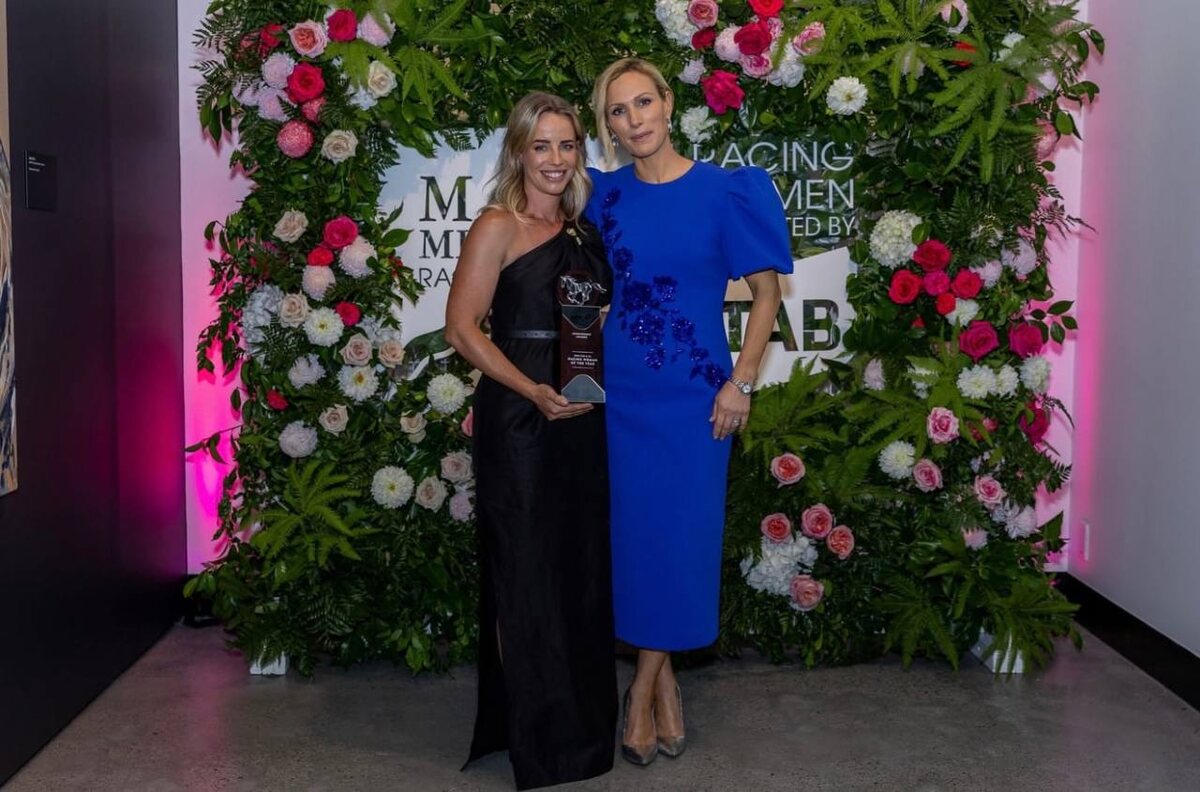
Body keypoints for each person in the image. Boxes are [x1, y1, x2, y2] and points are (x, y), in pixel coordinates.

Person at [584, 58, 792, 766]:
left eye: (644, 102)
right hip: (620, 397)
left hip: (699, 401)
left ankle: (641, 689)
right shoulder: (602, 197)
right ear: (608, 126)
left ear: (669, 104)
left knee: (682, 542)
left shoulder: (726, 191)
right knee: (635, 542)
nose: (634, 119)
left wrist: (742, 382)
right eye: (618, 111)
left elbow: (767, 294)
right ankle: (664, 683)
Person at [446, 92, 616, 790]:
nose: (555, 159)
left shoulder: (583, 230)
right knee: (526, 572)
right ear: (518, 151)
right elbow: (462, 329)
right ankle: (539, 739)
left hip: (581, 414)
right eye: (541, 145)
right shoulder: (498, 225)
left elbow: (592, 320)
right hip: (520, 420)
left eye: (567, 145)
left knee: (579, 568)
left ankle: (581, 729)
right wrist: (531, 389)